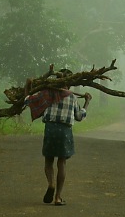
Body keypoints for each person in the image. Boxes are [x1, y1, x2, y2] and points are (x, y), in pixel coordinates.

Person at [24, 69, 92, 206]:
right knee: (62, 163)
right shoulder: (72, 97)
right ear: (70, 83)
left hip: (51, 129)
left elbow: (27, 101)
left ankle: (51, 184)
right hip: (65, 132)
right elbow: (79, 117)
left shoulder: (47, 93)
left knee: (49, 161)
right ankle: (58, 198)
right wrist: (87, 102)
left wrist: (27, 86)